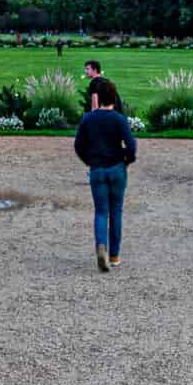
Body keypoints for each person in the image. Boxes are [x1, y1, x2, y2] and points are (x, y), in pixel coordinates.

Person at [73, 76, 136, 272]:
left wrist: (89, 161)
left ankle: (101, 245)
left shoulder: (88, 119)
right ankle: (114, 255)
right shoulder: (119, 119)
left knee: (101, 211)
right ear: (114, 98)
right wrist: (126, 160)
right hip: (117, 168)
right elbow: (132, 146)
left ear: (98, 98)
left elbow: (78, 146)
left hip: (97, 169)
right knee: (116, 211)